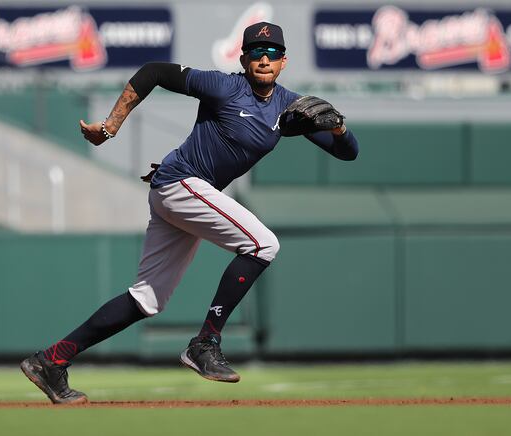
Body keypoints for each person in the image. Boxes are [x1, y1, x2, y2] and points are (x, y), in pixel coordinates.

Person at [21, 22, 359, 404]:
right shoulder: (224, 86)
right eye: (256, 51)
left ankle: (52, 360)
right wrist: (111, 126)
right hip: (181, 182)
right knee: (264, 245)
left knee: (147, 299)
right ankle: (206, 343)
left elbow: (348, 152)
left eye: (272, 52)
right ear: (243, 57)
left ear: (283, 61)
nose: (264, 59)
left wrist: (338, 127)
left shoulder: (289, 108)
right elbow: (154, 72)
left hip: (185, 193)